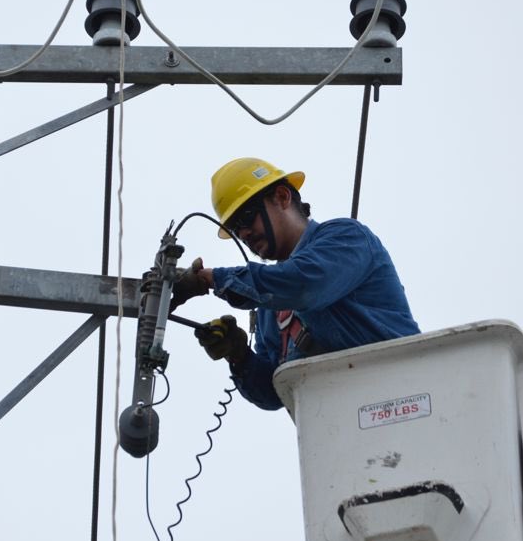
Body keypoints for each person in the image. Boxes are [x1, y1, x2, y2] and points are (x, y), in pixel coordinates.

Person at [171, 157, 419, 410]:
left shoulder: (346, 237)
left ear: (282, 197)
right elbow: (273, 393)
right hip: (345, 426)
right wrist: (238, 355)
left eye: (247, 218)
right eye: (235, 229)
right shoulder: (270, 304)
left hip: (411, 397)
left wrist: (213, 278)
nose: (243, 234)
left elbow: (303, 284)